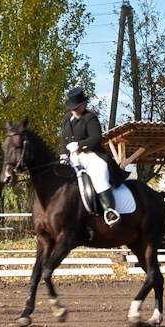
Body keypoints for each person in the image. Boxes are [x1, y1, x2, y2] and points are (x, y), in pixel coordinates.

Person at [59, 87, 122, 224]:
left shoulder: (90, 118)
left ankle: (110, 210)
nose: (74, 110)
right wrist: (63, 155)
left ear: (84, 105)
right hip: (73, 157)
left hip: (92, 155)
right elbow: (64, 139)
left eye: (76, 107)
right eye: (72, 107)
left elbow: (96, 138)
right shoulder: (66, 119)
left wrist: (79, 145)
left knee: (98, 176)